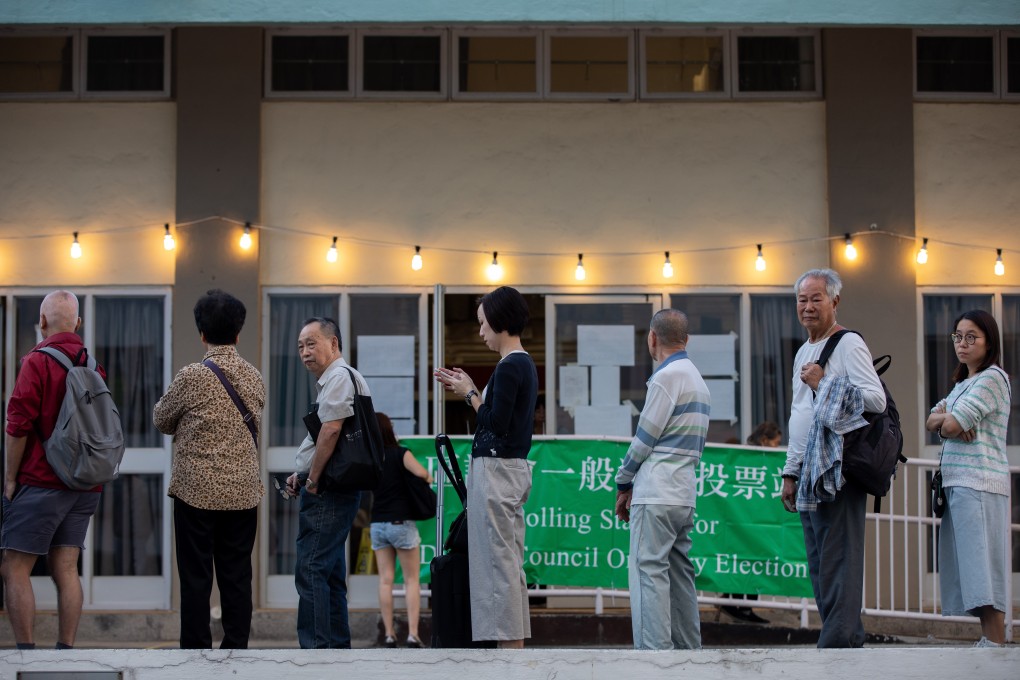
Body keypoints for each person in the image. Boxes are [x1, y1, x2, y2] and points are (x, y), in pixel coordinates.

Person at [153, 289, 265, 649]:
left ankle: (196, 652)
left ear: (201, 333)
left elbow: (160, 419)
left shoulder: (190, 376)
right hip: (242, 492)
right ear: (238, 333)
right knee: (237, 575)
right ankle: (236, 649)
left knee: (195, 577)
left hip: (195, 492)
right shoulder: (253, 376)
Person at [780, 268, 885, 648]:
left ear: (834, 302)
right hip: (809, 468)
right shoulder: (803, 350)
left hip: (838, 467)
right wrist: (790, 471)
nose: (807, 307)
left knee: (839, 560)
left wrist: (823, 382)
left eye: (816, 299)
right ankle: (846, 639)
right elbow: (797, 414)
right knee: (821, 563)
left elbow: (876, 399)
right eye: (802, 300)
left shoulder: (848, 344)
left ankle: (836, 643)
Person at [434, 286, 538, 649]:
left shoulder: (511, 365)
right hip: (508, 471)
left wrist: (468, 392)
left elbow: (496, 423)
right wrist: (473, 389)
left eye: (483, 323)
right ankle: (512, 649)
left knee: (497, 564)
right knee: (507, 561)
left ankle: (508, 652)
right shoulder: (521, 363)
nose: (480, 332)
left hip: (497, 472)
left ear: (498, 320)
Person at [1, 290, 104, 650]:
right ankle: (65, 653)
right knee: (66, 567)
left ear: (42, 322)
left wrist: (10, 479)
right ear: (78, 324)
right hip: (85, 486)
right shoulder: (93, 366)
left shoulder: (37, 361)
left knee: (14, 566)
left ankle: (26, 655)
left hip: (41, 482)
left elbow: (17, 425)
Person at [614, 309, 711, 650]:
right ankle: (689, 657)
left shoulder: (666, 377)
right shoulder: (698, 379)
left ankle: (654, 659)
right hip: (684, 494)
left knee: (647, 574)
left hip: (656, 491)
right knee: (680, 577)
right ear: (686, 340)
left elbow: (644, 439)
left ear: (652, 338)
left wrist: (623, 481)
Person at [925, 310, 1011, 648]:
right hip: (960, 484)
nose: (962, 343)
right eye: (958, 336)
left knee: (983, 570)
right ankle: (989, 642)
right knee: (969, 569)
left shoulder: (992, 378)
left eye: (971, 336)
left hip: (980, 484)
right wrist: (949, 419)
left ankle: (995, 645)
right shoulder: (963, 383)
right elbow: (932, 421)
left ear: (989, 342)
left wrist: (948, 420)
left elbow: (945, 426)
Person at [284, 317, 367, 649]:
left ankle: (317, 653)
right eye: (301, 346)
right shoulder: (340, 379)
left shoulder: (338, 378)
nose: (305, 351)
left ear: (334, 343)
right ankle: (335, 651)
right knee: (330, 573)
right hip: (333, 485)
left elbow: (332, 432)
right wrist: (302, 474)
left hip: (330, 489)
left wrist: (313, 480)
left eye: (312, 343)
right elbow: (322, 437)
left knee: (312, 568)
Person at [371, 412, 433, 648]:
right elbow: (423, 474)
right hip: (401, 523)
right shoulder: (401, 453)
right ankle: (413, 634)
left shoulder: (372, 457)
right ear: (389, 429)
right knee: (411, 580)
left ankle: (388, 634)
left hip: (378, 523)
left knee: (385, 581)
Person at [720, 420, 783, 625]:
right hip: (746, 518)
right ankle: (734, 603)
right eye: (776, 442)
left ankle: (743, 607)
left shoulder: (761, 459)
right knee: (745, 561)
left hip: (754, 519)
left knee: (754, 561)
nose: (778, 447)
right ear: (764, 440)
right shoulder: (750, 459)